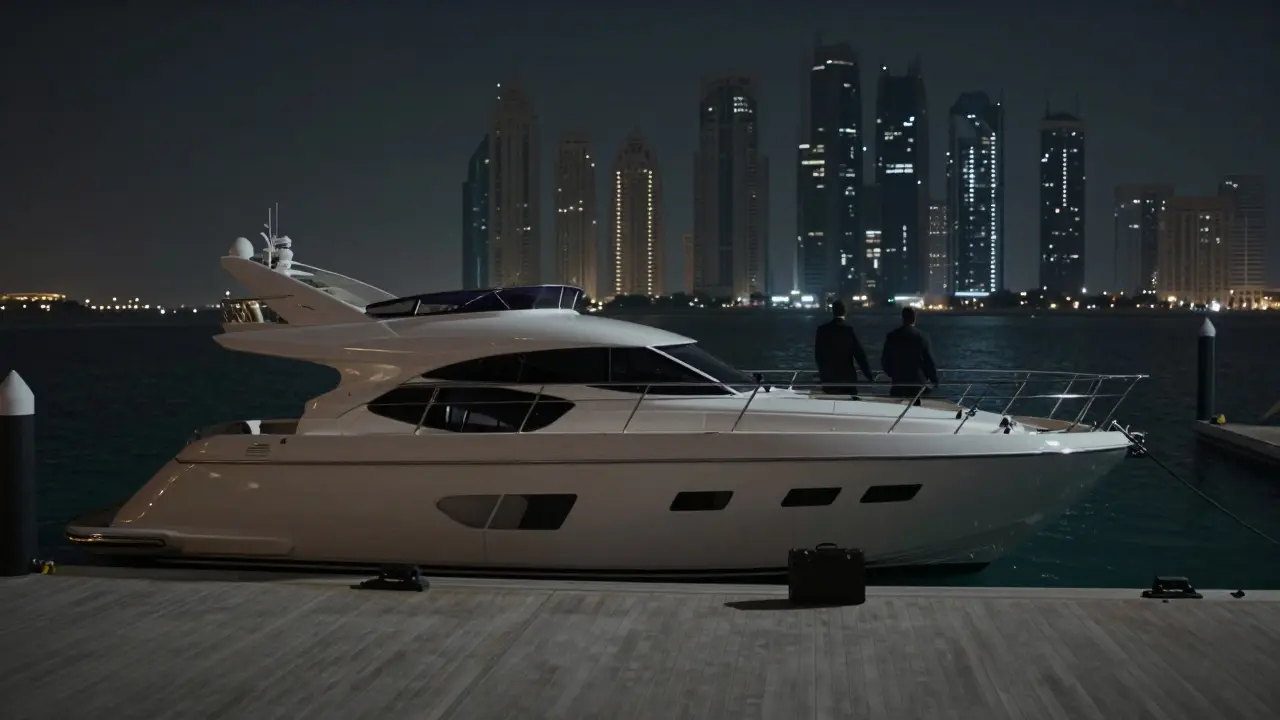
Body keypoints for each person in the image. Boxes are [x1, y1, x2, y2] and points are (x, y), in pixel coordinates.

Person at [880, 306, 940, 405]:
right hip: (917, 381)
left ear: (902, 318)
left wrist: (891, 373)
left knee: (895, 407)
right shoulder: (922, 336)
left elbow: (885, 359)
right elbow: (929, 360)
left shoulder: (892, 336)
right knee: (917, 408)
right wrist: (934, 379)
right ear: (914, 318)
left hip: (898, 380)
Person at [813, 300, 873, 397]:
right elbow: (859, 355)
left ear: (833, 311)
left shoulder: (822, 330)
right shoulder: (847, 330)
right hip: (847, 378)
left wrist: (823, 372)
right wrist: (868, 375)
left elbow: (818, 355)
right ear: (845, 311)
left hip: (829, 378)